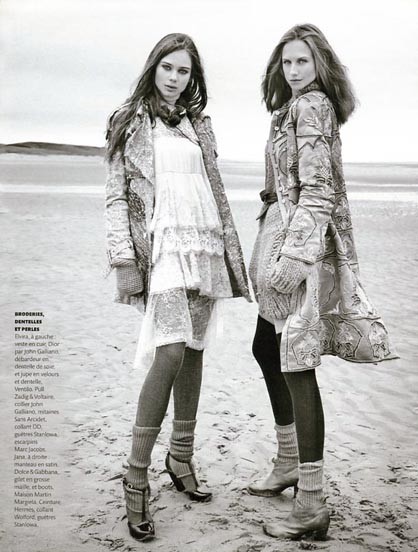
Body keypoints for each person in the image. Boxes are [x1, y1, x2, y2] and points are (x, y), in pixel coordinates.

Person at [248, 23, 397, 541]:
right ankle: (289, 461)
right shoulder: (291, 108)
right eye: (286, 62)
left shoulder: (311, 106)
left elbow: (318, 190)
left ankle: (311, 503)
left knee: (296, 362)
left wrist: (294, 257)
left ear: (319, 65)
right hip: (282, 235)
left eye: (302, 62)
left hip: (300, 248)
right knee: (266, 347)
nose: (293, 71)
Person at [105, 33, 250, 542]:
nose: (174, 77)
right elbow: (116, 197)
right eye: (167, 67)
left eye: (184, 71)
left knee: (194, 350)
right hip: (162, 247)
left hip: (204, 242)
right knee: (168, 352)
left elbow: (212, 187)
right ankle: (136, 475)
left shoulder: (198, 125)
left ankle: (181, 456)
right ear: (153, 68)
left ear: (193, 78)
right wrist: (123, 259)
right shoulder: (129, 121)